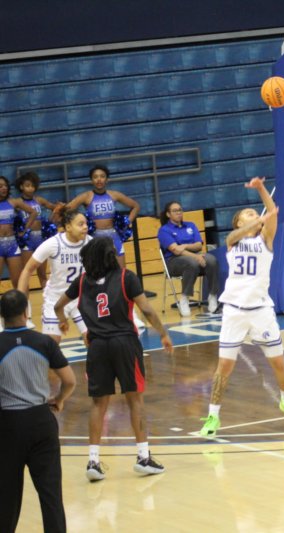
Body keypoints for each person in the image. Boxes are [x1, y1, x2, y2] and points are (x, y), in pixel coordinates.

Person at [54, 237, 173, 481]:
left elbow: (58, 306)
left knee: (98, 404)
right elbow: (147, 310)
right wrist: (163, 333)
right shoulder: (126, 277)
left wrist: (64, 322)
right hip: (125, 343)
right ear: (111, 255)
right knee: (135, 399)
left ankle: (93, 462)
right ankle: (143, 457)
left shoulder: (81, 281)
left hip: (97, 346)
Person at [200, 178, 284, 438]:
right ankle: (213, 416)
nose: (254, 215)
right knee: (224, 368)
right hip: (234, 310)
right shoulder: (233, 241)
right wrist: (256, 221)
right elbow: (232, 236)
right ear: (238, 222)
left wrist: (260, 189)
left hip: (260, 311)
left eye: (256, 214)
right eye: (248, 214)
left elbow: (272, 215)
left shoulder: (265, 240)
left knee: (278, 362)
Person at [0, 290, 75, 533]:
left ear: (1, 316)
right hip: (42, 421)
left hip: (8, 425)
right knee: (51, 495)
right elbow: (70, 381)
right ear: (26, 312)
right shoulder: (44, 342)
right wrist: (59, 400)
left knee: (6, 497)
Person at [65, 165, 147, 332]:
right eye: (95, 176)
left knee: (121, 275)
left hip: (114, 238)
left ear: (107, 179)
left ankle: (132, 314)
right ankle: (100, 312)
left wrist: (128, 222)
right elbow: (67, 210)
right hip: (95, 241)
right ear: (91, 180)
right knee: (97, 276)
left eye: (102, 176)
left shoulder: (114, 195)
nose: (99, 179)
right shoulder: (86, 196)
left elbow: (135, 206)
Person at [18, 209, 91, 344]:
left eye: (86, 223)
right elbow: (27, 270)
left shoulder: (90, 243)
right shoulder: (53, 244)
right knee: (52, 343)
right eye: (80, 224)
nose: (85, 227)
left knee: (92, 339)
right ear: (68, 227)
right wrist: (21, 302)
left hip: (81, 299)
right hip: (56, 299)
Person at [158, 201, 220, 316]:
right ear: (168, 214)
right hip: (174, 261)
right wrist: (195, 256)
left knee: (212, 260)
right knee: (191, 263)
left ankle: (212, 296)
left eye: (180, 210)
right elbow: (176, 250)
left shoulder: (190, 225)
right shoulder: (164, 230)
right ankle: (184, 299)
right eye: (175, 211)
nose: (178, 212)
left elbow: (199, 245)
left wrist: (185, 246)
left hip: (196, 256)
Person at [15, 171, 63, 289]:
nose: (30, 188)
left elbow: (55, 208)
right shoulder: (17, 202)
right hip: (27, 240)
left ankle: (46, 299)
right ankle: (25, 300)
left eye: (32, 186)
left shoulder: (39, 200)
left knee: (42, 273)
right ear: (21, 186)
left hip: (41, 238)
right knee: (26, 272)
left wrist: (58, 209)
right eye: (27, 185)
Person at [0, 176, 38, 290]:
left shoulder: (13, 202)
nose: (4, 188)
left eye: (5, 186)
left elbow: (33, 212)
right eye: (0, 186)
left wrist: (25, 230)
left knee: (19, 282)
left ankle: (24, 303)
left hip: (12, 244)